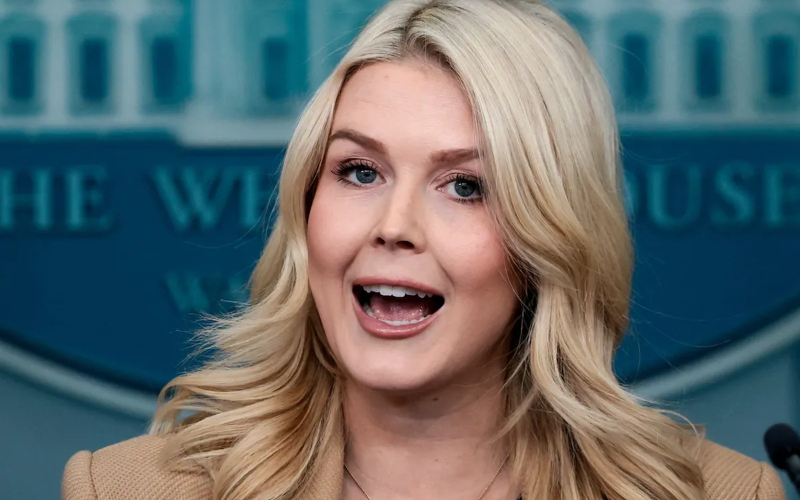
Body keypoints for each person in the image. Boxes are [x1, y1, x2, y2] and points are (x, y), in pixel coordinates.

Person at [62, 0, 786, 499]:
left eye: (465, 186)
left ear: (551, 237)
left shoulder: (724, 493)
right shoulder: (125, 490)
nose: (394, 224)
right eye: (360, 171)